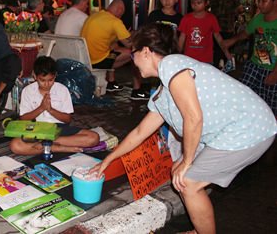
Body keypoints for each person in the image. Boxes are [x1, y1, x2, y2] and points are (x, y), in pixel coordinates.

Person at [92, 23, 276, 234]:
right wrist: (108, 160)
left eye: (133, 56)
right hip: (232, 131)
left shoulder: (171, 65)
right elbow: (139, 133)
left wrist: (188, 161)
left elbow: (193, 118)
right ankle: (201, 226)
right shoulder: (163, 91)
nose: (133, 63)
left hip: (249, 127)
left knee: (188, 181)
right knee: (179, 171)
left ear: (145, 51)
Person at [10, 56, 99, 155]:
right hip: (36, 129)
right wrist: (41, 108)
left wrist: (51, 110)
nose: (47, 84)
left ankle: (46, 145)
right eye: (42, 80)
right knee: (15, 145)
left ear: (55, 76)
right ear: (34, 76)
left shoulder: (62, 90)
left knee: (93, 138)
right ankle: (56, 148)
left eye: (50, 80)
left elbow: (67, 119)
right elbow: (24, 119)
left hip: (59, 128)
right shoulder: (28, 91)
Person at [227, 0, 277, 116]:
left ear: (275, 1)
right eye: (258, 0)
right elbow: (245, 34)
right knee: (244, 94)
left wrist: (275, 73)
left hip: (272, 69)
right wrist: (231, 41)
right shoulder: (258, 19)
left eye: (264, 0)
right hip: (254, 65)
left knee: (271, 104)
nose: (259, 4)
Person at [81, 0, 146, 98]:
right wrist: (133, 35)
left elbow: (110, 41)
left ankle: (111, 83)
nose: (121, 16)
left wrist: (119, 36)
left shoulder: (94, 16)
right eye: (122, 13)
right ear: (119, 10)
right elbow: (130, 44)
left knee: (114, 48)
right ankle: (137, 90)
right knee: (134, 53)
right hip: (98, 61)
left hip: (85, 58)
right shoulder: (115, 22)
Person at [178, 0, 232, 64]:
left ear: (206, 3)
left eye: (199, 2)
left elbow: (218, 37)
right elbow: (182, 37)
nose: (195, 5)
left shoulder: (211, 18)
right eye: (192, 2)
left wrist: (227, 53)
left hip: (206, 59)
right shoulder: (186, 18)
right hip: (189, 59)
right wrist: (177, 53)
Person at [210, 0, 243, 68]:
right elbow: (241, 10)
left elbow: (207, 7)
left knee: (216, 49)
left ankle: (215, 67)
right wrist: (233, 12)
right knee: (226, 48)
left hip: (215, 27)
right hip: (228, 27)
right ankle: (225, 68)